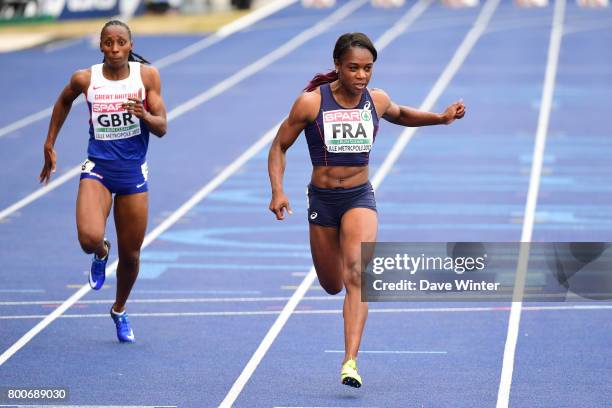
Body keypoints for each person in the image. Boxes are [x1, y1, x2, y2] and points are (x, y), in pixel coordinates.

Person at [267, 32, 465, 388]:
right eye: (354, 68)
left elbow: (402, 114)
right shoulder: (311, 103)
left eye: (368, 69)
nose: (361, 76)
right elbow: (279, 146)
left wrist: (441, 118)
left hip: (359, 197)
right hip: (323, 201)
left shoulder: (376, 99)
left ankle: (350, 361)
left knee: (357, 277)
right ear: (338, 67)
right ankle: (342, 269)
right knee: (331, 284)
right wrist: (278, 190)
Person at [39, 20, 167, 343]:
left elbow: (163, 126)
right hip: (98, 169)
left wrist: (145, 115)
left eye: (120, 42)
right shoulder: (86, 78)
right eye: (108, 42)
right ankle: (100, 251)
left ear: (130, 45)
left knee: (133, 256)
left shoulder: (146, 77)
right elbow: (64, 100)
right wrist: (49, 142)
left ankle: (119, 310)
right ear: (100, 46)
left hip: (133, 174)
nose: (114, 48)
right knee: (88, 238)